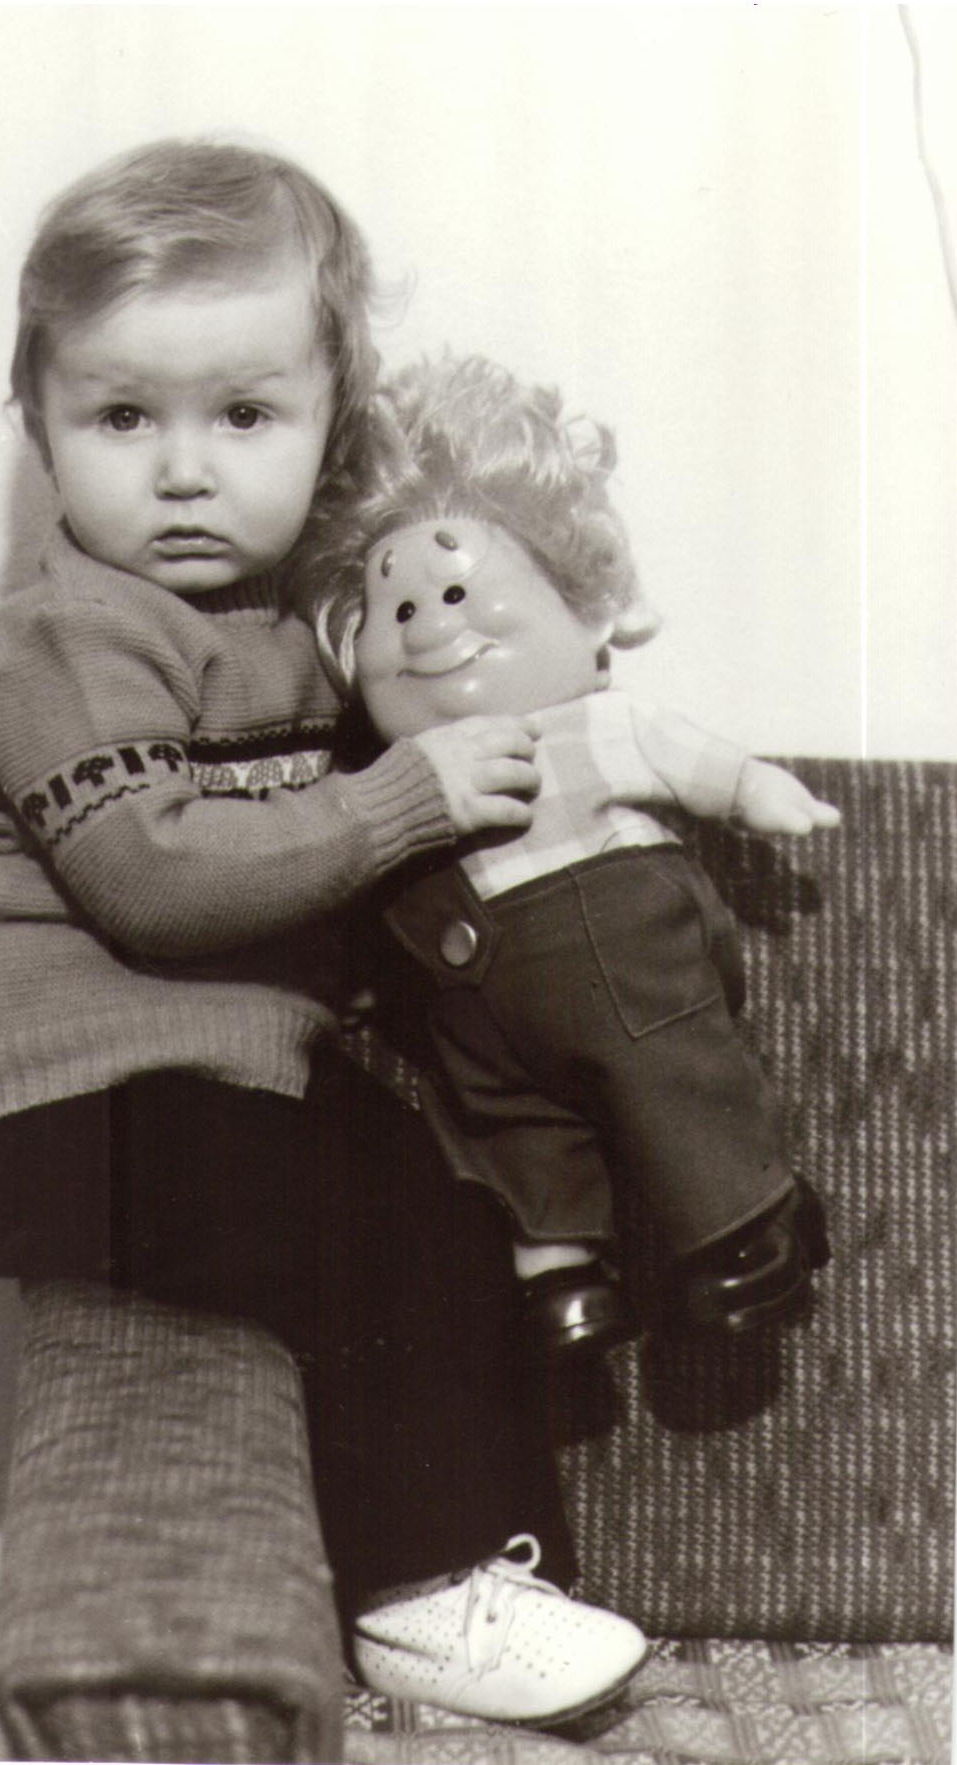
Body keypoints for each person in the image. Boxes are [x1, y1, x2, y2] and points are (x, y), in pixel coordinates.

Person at [0, 140, 648, 1725]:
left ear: (332, 427)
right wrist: (403, 802)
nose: (183, 471)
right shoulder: (64, 639)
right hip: (39, 1116)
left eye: (243, 416)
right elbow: (156, 878)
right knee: (374, 1229)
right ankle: (416, 1588)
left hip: (180, 1092)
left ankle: (496, 1574)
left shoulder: (296, 645)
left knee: (445, 1210)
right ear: (36, 425)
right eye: (122, 418)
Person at [297, 351, 838, 1358]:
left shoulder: (588, 725)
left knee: (669, 1080)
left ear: (584, 610)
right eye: (399, 610)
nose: (430, 627)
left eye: (456, 590)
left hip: (624, 964)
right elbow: (368, 884)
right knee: (505, 1125)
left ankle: (745, 1224)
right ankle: (560, 1273)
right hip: (477, 1021)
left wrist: (755, 790)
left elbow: (681, 757)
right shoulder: (396, 784)